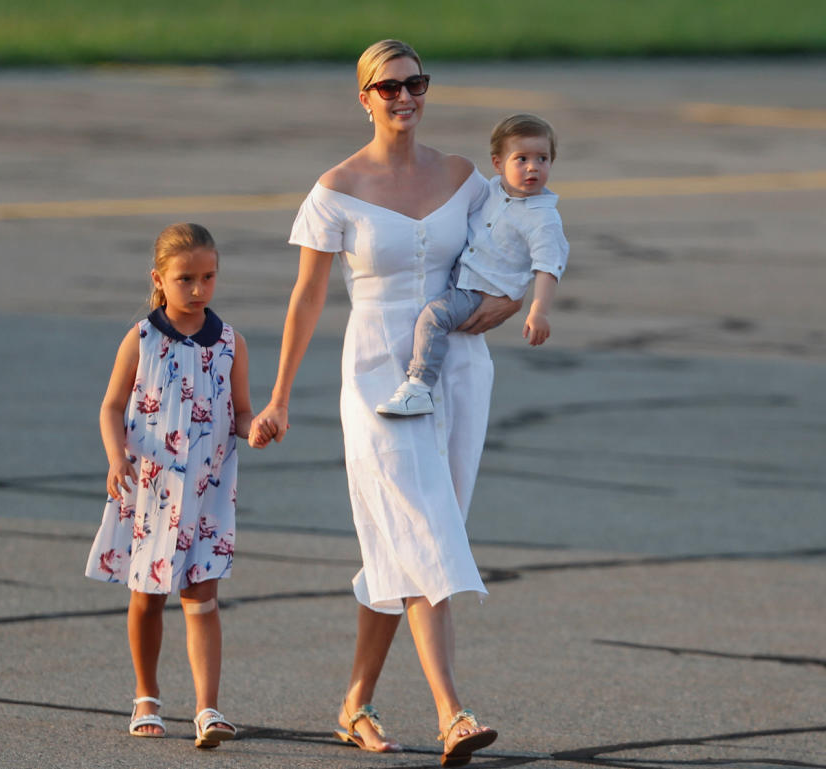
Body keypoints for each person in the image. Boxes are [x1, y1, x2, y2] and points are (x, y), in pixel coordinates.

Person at [249, 40, 520, 767]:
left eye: (415, 84)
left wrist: (507, 299)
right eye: (389, 87)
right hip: (376, 378)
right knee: (427, 534)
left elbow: (510, 246)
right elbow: (306, 298)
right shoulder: (335, 188)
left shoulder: (465, 176)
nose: (404, 97)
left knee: (410, 543)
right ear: (363, 98)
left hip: (460, 368)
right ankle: (453, 713)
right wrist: (277, 396)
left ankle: (355, 702)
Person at [84, 223, 251, 749]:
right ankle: (147, 695)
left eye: (208, 277)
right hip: (151, 488)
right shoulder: (141, 339)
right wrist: (116, 457)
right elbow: (112, 407)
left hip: (208, 491)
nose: (198, 289)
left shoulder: (230, 342)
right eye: (185, 279)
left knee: (202, 595)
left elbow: (241, 412)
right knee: (149, 596)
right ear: (159, 279)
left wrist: (259, 426)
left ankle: (208, 708)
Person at [377, 113, 569, 417]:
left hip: (479, 290)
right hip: (460, 275)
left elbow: (548, 266)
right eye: (521, 159)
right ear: (498, 164)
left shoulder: (543, 219)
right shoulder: (491, 190)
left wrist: (538, 310)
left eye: (542, 159)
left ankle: (418, 387)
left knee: (434, 318)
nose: (533, 167)